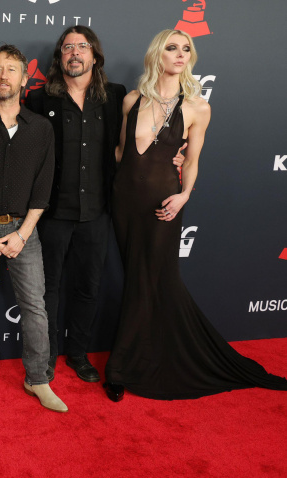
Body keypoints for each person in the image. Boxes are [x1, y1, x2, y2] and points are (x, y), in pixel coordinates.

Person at [104, 29, 287, 401]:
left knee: (153, 279)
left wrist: (184, 195)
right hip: (124, 202)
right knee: (137, 278)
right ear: (157, 54)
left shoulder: (197, 107)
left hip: (162, 206)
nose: (180, 54)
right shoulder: (131, 100)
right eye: (172, 48)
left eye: (186, 49)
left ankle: (122, 368)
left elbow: (192, 161)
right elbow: (121, 153)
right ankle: (138, 356)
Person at [0, 44, 65, 412]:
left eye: (11, 69)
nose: (3, 75)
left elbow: (43, 189)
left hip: (25, 229)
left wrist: (23, 234)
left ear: (25, 79)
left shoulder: (40, 129)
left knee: (35, 306)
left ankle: (37, 377)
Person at [24, 27, 126, 383]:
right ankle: (48, 356)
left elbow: (133, 144)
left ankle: (79, 354)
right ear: (60, 58)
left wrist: (172, 156)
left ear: (94, 56)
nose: (75, 53)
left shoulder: (115, 97)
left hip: (98, 212)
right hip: (53, 213)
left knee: (88, 286)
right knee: (47, 288)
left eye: (82, 47)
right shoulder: (39, 100)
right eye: (68, 48)